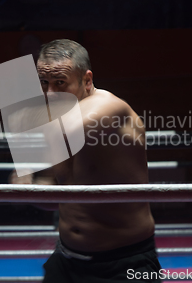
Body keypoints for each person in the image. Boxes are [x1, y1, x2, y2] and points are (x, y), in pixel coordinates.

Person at [10, 39, 161, 282]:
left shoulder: (110, 106)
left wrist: (25, 124)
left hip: (122, 263)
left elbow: (68, 128)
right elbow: (55, 197)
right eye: (43, 83)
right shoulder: (56, 119)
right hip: (67, 259)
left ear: (87, 80)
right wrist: (27, 182)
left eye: (60, 83)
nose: (50, 94)